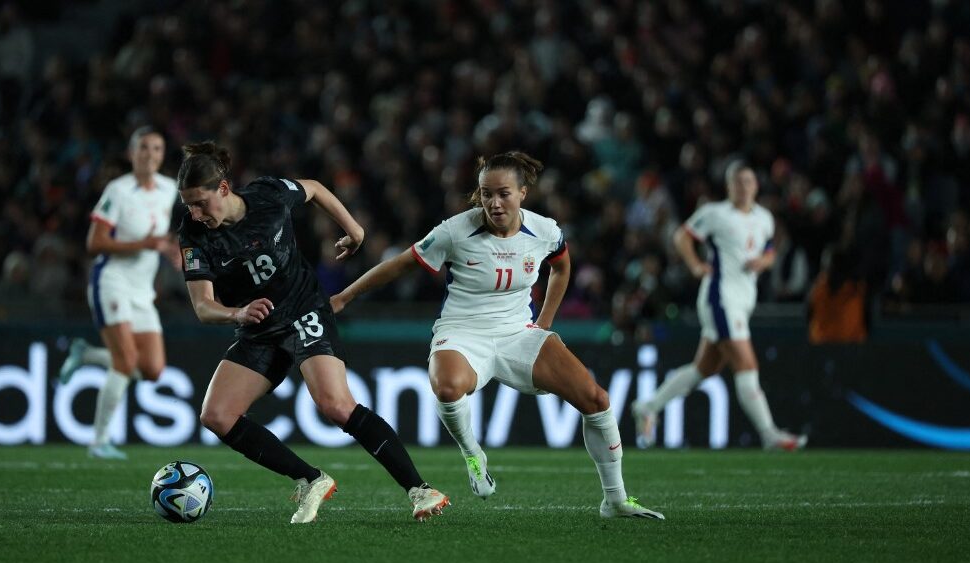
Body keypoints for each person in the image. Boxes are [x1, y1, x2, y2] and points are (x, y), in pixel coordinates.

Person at [332, 151, 663, 520]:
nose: (494, 202)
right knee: (447, 386)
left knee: (596, 399)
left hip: (517, 333)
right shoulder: (454, 231)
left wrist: (545, 323)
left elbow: (562, 267)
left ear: (523, 192)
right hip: (462, 331)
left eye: (503, 193)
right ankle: (473, 453)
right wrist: (345, 297)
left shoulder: (545, 231)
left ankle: (614, 499)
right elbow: (400, 265)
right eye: (486, 193)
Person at [175, 141, 448, 524]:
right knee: (217, 415)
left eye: (200, 202)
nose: (195, 213)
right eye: (188, 204)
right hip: (258, 326)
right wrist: (237, 312)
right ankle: (310, 479)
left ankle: (420, 489)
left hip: (303, 309)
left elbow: (316, 188)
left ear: (223, 188)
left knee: (336, 406)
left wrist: (354, 229)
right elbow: (203, 306)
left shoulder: (269, 195)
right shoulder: (193, 232)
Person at [632, 161, 808, 451]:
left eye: (748, 182)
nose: (743, 187)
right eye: (737, 182)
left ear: (756, 186)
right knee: (747, 365)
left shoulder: (765, 218)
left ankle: (648, 406)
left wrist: (763, 262)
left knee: (704, 368)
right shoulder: (715, 214)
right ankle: (769, 434)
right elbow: (682, 237)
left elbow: (769, 251)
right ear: (729, 187)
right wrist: (696, 266)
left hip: (743, 301)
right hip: (720, 299)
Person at [59, 126, 179, 460]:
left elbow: (162, 236)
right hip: (111, 280)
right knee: (125, 362)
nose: (150, 154)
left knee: (153, 370)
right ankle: (98, 441)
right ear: (131, 153)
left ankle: (85, 356)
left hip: (142, 289)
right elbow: (94, 243)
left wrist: (171, 250)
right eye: (143, 148)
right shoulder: (118, 190)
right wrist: (145, 244)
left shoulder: (170, 189)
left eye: (156, 148)